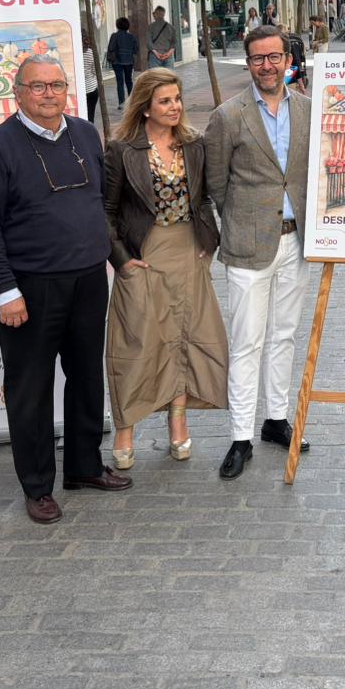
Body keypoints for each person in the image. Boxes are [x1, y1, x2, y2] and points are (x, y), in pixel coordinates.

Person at [0, 56, 132, 525]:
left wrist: (113, 258)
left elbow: (100, 202)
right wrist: (4, 290)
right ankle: (37, 486)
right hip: (30, 287)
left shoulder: (84, 133)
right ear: (17, 92)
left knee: (86, 377)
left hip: (88, 280)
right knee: (30, 389)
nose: (49, 94)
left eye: (56, 85)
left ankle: (83, 466)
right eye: (38, 86)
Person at [103, 69, 228, 469]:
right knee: (136, 342)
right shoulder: (122, 149)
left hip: (187, 249)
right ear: (145, 107)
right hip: (144, 254)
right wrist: (121, 259)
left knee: (184, 338)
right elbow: (106, 211)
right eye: (165, 101)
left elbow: (203, 199)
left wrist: (208, 242)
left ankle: (178, 421)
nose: (175, 107)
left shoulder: (193, 144)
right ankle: (125, 428)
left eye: (177, 99)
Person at [203, 25, 313, 479]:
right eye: (257, 59)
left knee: (285, 335)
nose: (267, 66)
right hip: (249, 246)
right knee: (247, 341)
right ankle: (240, 437)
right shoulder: (228, 116)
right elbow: (216, 184)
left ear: (288, 60)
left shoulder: (308, 109)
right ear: (248, 63)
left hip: (297, 241)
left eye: (274, 57)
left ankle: (276, 420)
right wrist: (243, 221)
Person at [106, 16, 137, 108]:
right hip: (129, 61)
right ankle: (132, 102)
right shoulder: (131, 37)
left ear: (117, 25)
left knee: (120, 82)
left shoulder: (114, 36)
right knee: (129, 81)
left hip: (117, 62)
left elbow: (111, 47)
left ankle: (121, 103)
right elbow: (135, 49)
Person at [147, 5, 178, 70]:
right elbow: (175, 43)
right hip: (168, 56)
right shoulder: (171, 27)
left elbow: (148, 42)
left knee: (156, 75)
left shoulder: (150, 27)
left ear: (156, 14)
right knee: (168, 75)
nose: (153, 15)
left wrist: (156, 53)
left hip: (154, 56)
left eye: (154, 14)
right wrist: (168, 53)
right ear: (164, 14)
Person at [81, 29, 101, 121]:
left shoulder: (72, 53)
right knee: (90, 116)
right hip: (91, 88)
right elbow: (95, 71)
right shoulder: (90, 52)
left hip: (79, 90)